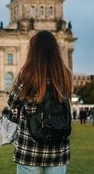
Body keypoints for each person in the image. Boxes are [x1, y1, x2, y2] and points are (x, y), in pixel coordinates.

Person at [8, 30, 72, 174]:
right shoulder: (65, 74)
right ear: (55, 50)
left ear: (33, 51)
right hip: (58, 150)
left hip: (30, 150)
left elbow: (12, 102)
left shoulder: (27, 74)